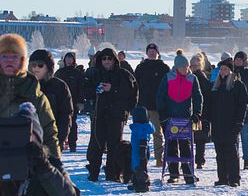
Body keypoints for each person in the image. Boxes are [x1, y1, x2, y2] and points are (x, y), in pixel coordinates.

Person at [0, 34, 60, 159]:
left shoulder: (35, 94)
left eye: (14, 56)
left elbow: (49, 135)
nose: (9, 60)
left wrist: (56, 166)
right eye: (5, 56)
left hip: (27, 169)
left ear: (22, 60)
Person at [85, 47, 138, 182]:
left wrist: (113, 89)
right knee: (96, 144)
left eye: (109, 58)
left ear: (114, 60)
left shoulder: (123, 74)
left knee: (115, 146)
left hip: (116, 115)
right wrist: (95, 91)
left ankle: (113, 174)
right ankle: (93, 172)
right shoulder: (94, 74)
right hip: (99, 115)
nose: (107, 61)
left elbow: (132, 93)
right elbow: (84, 91)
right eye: (104, 59)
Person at [156, 54, 203, 185]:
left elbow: (198, 97)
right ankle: (173, 174)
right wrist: (163, 114)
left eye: (187, 66)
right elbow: (160, 96)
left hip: (185, 118)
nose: (186, 69)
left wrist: (197, 114)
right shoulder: (167, 77)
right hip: (169, 118)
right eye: (183, 67)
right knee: (170, 145)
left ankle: (188, 173)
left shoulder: (192, 78)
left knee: (185, 146)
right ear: (177, 67)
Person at [207, 59, 248, 187]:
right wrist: (207, 118)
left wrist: (239, 122)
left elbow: (242, 105)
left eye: (225, 69)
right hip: (217, 123)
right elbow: (210, 105)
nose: (223, 71)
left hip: (231, 123)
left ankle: (234, 178)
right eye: (221, 69)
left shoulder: (238, 86)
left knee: (231, 152)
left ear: (231, 71)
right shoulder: (215, 85)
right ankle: (222, 178)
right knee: (219, 152)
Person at [29, 50, 74, 153]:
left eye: (40, 65)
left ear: (48, 67)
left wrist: (61, 139)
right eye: (33, 65)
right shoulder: (25, 86)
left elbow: (66, 115)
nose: (36, 68)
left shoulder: (59, 86)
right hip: (26, 140)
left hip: (51, 140)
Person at [134, 43, 170, 167]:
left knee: (157, 132)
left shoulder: (164, 67)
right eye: (149, 51)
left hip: (156, 106)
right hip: (142, 105)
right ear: (146, 53)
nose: (152, 53)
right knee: (140, 133)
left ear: (158, 53)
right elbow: (135, 85)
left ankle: (159, 158)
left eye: (154, 51)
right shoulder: (141, 67)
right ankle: (140, 157)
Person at [54, 51, 85, 152]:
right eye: (67, 58)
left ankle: (72, 144)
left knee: (72, 123)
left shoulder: (77, 73)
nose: (68, 60)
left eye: (70, 58)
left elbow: (81, 88)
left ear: (74, 60)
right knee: (60, 123)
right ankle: (60, 143)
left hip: (73, 102)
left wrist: (80, 101)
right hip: (59, 102)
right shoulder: (59, 72)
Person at [190, 54, 212, 169]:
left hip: (201, 113)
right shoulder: (189, 77)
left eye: (196, 65)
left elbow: (207, 96)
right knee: (196, 138)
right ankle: (196, 160)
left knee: (199, 139)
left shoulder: (201, 78)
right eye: (192, 65)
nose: (194, 67)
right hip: (194, 112)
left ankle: (199, 160)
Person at [127, 106, 154, 193]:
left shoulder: (138, 128)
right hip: (142, 152)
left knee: (138, 169)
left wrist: (142, 151)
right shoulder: (145, 127)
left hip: (138, 152)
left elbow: (143, 140)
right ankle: (138, 183)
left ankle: (141, 185)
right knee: (141, 168)